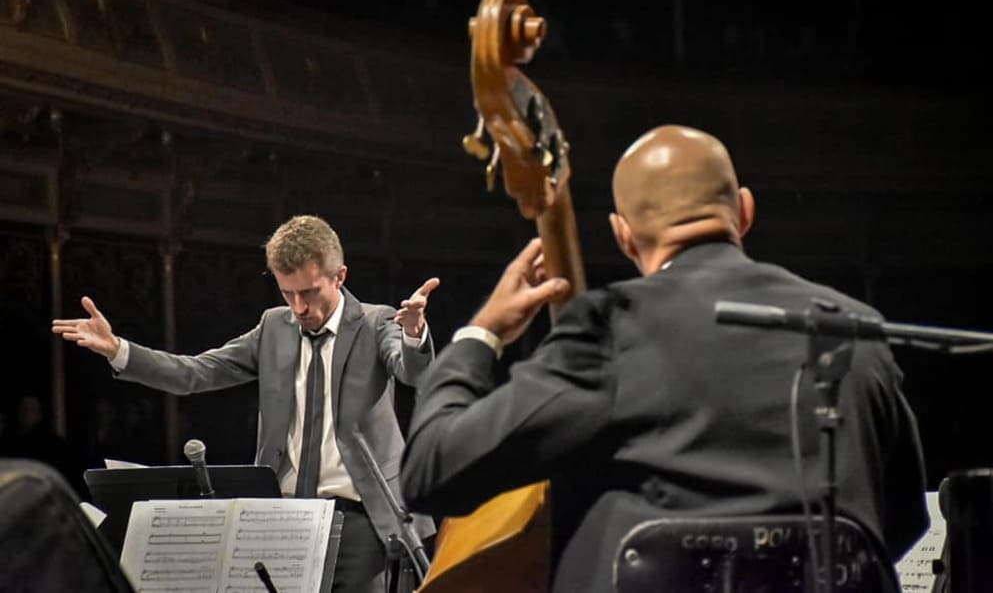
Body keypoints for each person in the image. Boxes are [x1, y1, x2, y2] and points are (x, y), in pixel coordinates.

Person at [400, 125, 928, 591]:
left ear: (623, 235)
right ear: (744, 210)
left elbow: (432, 470)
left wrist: (481, 333)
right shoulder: (854, 328)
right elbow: (900, 522)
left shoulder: (609, 328)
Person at [54, 214, 439, 593]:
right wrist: (120, 350)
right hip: (283, 518)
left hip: (360, 520)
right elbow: (196, 372)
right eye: (287, 294)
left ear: (340, 276)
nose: (298, 308)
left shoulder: (376, 322)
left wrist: (414, 333)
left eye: (308, 293)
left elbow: (414, 373)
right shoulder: (274, 326)